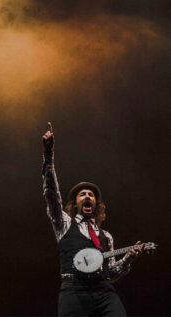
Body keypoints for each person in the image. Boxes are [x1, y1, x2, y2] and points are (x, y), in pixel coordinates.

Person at [41, 122, 145, 317]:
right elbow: (51, 193)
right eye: (82, 194)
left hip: (103, 290)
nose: (87, 196)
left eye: (91, 194)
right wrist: (48, 155)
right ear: (75, 203)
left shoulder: (106, 236)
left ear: (96, 204)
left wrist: (128, 258)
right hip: (74, 289)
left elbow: (112, 273)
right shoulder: (64, 224)